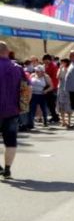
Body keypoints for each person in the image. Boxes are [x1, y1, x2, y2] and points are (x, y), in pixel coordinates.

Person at [0, 41, 27, 179]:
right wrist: (24, 105)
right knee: (11, 141)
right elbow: (27, 88)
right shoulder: (17, 68)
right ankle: (7, 169)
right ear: (7, 51)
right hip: (12, 110)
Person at [56, 58, 73, 128]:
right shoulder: (60, 69)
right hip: (61, 88)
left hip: (68, 89)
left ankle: (69, 121)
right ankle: (63, 121)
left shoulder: (70, 69)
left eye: (62, 62)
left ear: (66, 63)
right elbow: (57, 77)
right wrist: (60, 69)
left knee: (69, 104)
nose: (61, 64)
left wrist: (66, 70)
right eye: (61, 62)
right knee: (61, 104)